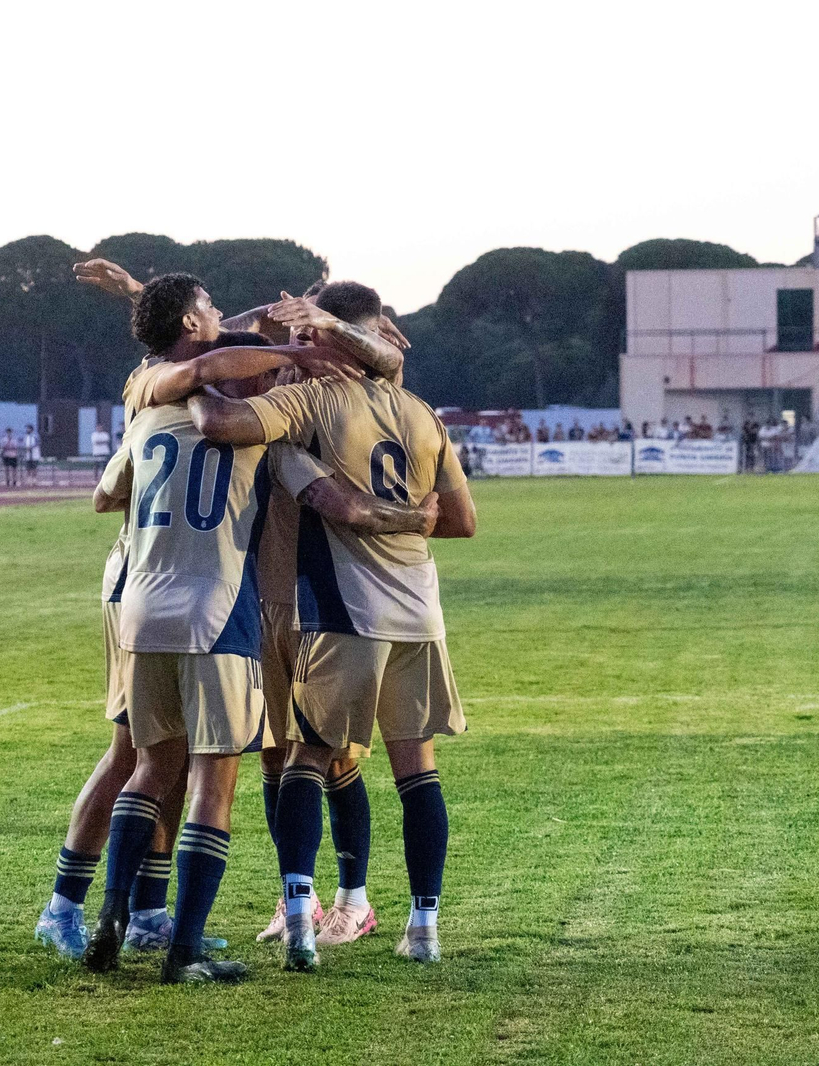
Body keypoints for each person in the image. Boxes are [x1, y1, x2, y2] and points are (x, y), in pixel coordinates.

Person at [187, 279, 476, 970]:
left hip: (334, 604)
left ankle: (345, 900)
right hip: (277, 593)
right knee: (277, 752)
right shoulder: (402, 407)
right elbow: (209, 341)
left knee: (319, 758)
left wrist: (177, 380)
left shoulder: (318, 397)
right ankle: (330, 906)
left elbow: (232, 420)